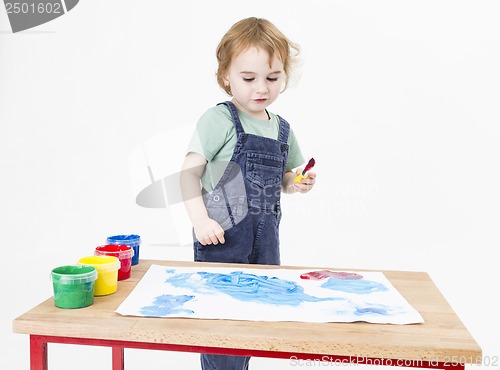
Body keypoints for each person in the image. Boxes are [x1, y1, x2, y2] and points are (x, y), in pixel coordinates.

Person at [180, 17, 316, 370]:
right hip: (223, 244)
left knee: (249, 335)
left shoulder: (283, 129)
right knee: (222, 339)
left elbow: (285, 179)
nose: (262, 88)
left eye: (273, 78)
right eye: (249, 78)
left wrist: (297, 183)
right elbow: (187, 175)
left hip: (266, 247)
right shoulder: (220, 120)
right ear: (226, 75)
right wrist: (200, 220)